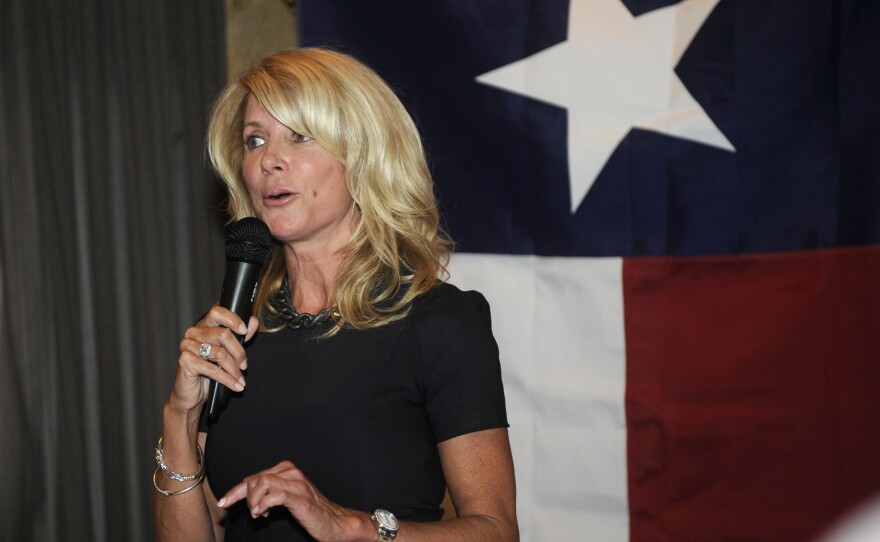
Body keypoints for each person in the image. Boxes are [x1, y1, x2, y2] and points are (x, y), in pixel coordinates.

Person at [152, 47, 518, 541]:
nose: (268, 161)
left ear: (362, 154)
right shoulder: (233, 330)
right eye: (254, 140)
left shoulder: (439, 322)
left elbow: (496, 531)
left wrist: (351, 527)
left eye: (300, 136)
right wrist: (179, 418)